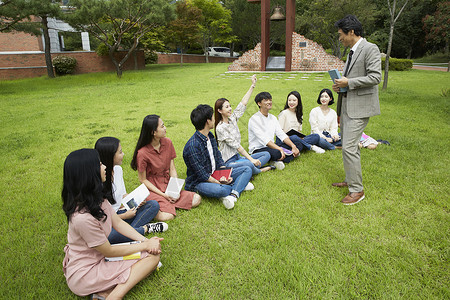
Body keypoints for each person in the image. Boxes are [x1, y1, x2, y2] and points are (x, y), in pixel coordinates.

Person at [62, 149, 163, 299]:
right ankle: (115, 295)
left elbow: (118, 223)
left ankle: (101, 292)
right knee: (152, 258)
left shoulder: (98, 199)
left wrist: (146, 241)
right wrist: (145, 246)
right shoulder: (82, 218)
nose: (104, 167)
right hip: (86, 273)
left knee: (151, 255)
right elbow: (109, 251)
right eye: (100, 164)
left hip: (100, 258)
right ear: (88, 174)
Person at [332, 14, 381, 205]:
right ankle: (351, 179)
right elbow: (350, 82)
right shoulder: (352, 51)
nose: (340, 38)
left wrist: (349, 82)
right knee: (348, 147)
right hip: (347, 107)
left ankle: (357, 191)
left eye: (340, 34)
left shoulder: (370, 49)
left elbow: (375, 77)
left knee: (349, 147)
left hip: (359, 109)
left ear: (351, 32)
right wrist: (341, 86)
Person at [95, 137, 167, 245]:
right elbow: (101, 219)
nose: (123, 154)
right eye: (120, 152)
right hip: (111, 220)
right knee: (110, 236)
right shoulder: (98, 180)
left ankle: (129, 234)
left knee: (153, 205)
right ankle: (143, 229)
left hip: (122, 211)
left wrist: (136, 202)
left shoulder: (118, 170)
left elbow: (123, 195)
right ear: (110, 156)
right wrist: (125, 216)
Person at [130, 115, 201, 222]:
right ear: (153, 132)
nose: (165, 128)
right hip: (153, 189)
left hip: (167, 184)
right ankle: (154, 206)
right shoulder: (142, 153)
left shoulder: (168, 142)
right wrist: (163, 195)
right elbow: (142, 180)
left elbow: (172, 169)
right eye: (162, 126)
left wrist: (175, 190)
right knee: (167, 216)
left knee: (196, 199)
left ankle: (168, 203)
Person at [183, 104, 252, 210]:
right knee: (222, 190)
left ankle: (233, 194)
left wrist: (225, 174)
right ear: (207, 121)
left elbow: (218, 156)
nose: (215, 119)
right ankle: (238, 186)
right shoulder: (193, 146)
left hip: (216, 173)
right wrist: (219, 181)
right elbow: (202, 175)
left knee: (247, 169)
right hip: (200, 182)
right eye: (213, 117)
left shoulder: (210, 136)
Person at [214, 74, 272, 176]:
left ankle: (252, 167)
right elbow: (237, 146)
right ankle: (258, 170)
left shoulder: (232, 119)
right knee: (248, 163)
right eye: (227, 107)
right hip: (229, 162)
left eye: (230, 106)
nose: (230, 108)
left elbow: (243, 104)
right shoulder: (220, 128)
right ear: (219, 110)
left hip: (238, 157)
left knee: (266, 154)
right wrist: (252, 159)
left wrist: (252, 85)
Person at [248, 92, 300, 171]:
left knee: (298, 144)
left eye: (270, 100)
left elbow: (281, 134)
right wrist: (280, 149)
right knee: (277, 153)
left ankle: (276, 159)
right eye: (266, 100)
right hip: (258, 149)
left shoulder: (273, 118)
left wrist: (293, 146)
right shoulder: (254, 119)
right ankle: (274, 160)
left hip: (271, 146)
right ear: (259, 103)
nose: (269, 102)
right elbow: (264, 140)